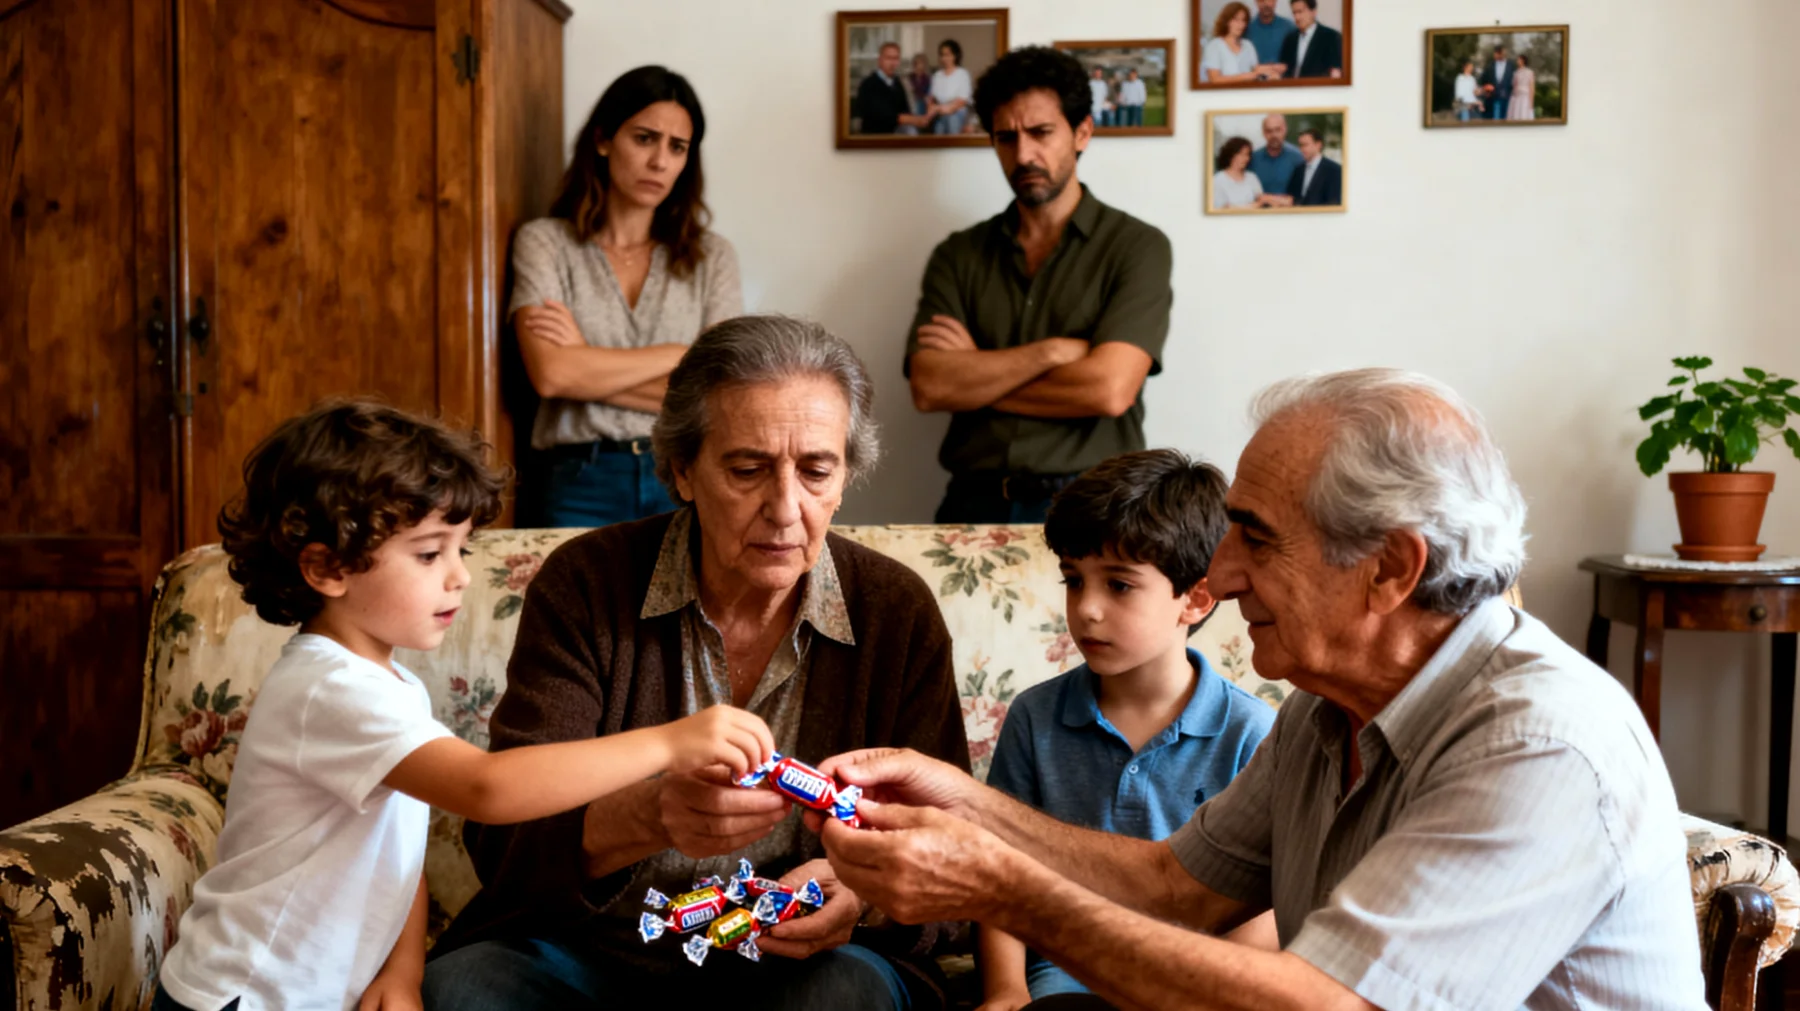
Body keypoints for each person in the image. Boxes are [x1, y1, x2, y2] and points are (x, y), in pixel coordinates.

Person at [809, 368, 1711, 1010]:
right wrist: (968, 803)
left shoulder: (1538, 742)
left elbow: (1322, 1004)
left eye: (1256, 537)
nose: (1224, 574)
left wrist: (1005, 887)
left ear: (1390, 568)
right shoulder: (1327, 708)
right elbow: (1172, 886)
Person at [423, 316, 972, 1010]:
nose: (785, 507)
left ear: (845, 477)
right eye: (747, 468)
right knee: (464, 986)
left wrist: (859, 894)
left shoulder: (895, 610)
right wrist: (646, 816)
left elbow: (959, 864)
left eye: (815, 470)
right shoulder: (588, 583)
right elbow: (504, 846)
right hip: (598, 955)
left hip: (800, 967)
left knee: (844, 992)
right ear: (682, 469)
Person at [153, 400, 777, 1011]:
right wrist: (669, 742)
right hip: (248, 992)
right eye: (429, 554)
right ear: (327, 568)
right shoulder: (330, 691)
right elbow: (488, 790)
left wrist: (403, 970)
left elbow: (395, 853)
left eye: (462, 549)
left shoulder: (390, 684)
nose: (460, 577)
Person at [975, 450, 1276, 1010]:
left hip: (1198, 986)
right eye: (1073, 580)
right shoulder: (1035, 718)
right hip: (1067, 975)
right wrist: (1005, 990)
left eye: (1118, 585)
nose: (1086, 609)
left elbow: (1258, 917)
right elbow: (1000, 871)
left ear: (1197, 598)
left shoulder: (1251, 732)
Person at [906, 46, 1173, 524]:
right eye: (1005, 137)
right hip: (973, 503)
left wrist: (975, 375)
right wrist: (1051, 353)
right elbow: (930, 386)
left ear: (1082, 133)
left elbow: (1109, 390)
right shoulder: (958, 254)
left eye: (1041, 132)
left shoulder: (1138, 247)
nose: (1023, 153)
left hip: (1097, 507)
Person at [511, 66, 741, 529]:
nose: (659, 161)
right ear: (602, 139)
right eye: (644, 138)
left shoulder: (711, 256)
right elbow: (553, 375)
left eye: (677, 147)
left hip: (682, 476)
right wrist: (683, 354)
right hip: (577, 477)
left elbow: (718, 393)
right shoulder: (545, 243)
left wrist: (586, 363)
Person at [857, 41, 936, 134]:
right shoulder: (868, 84)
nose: (893, 63)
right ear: (880, 60)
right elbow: (884, 115)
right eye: (889, 58)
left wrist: (921, 118)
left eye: (896, 58)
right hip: (875, 134)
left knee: (911, 131)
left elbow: (906, 110)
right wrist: (915, 120)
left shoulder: (898, 83)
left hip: (897, 130)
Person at [1199, 3, 1267, 84]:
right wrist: (1244, 77)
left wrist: (1270, 71)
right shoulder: (1214, 46)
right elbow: (1214, 79)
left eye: (1243, 20)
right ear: (1226, 21)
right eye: (1236, 20)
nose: (1241, 25)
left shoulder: (1248, 45)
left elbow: (1256, 71)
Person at [1275, 0, 1344, 79]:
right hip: (1290, 90)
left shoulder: (1331, 37)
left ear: (1313, 12)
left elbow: (1336, 74)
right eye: (1294, 13)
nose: (1297, 17)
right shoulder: (1289, 39)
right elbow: (1284, 70)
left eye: (1300, 12)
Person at [1247, 113, 1304, 200]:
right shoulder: (1253, 159)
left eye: (1278, 130)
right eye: (1269, 131)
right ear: (1263, 133)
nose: (1274, 135)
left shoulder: (1298, 157)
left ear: (1285, 130)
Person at [1285, 128, 1342, 207]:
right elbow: (1291, 197)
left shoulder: (1334, 170)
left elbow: (1334, 202)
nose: (1302, 149)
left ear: (1318, 145)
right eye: (1300, 145)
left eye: (1305, 145)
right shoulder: (1298, 170)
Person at [930, 39, 974, 135]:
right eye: (942, 55)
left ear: (955, 56)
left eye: (948, 55)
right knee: (938, 127)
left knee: (951, 119)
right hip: (940, 112)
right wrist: (934, 108)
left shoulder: (962, 74)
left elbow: (962, 101)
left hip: (958, 112)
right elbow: (932, 98)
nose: (945, 58)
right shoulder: (937, 75)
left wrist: (946, 109)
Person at [1210, 137, 1267, 210]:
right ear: (1231, 155)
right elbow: (1221, 209)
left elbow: (1261, 200)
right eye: (1241, 154)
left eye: (1247, 154)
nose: (1246, 158)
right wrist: (1253, 206)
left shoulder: (1252, 177)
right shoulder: (1217, 180)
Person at [1242, 0, 1296, 72]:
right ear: (1256, 2)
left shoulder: (1289, 28)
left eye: (1270, 0)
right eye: (1262, 0)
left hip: (1284, 80)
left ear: (1275, 1)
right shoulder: (1246, 29)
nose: (1266, 4)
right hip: (1254, 80)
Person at [1479, 44, 1514, 121]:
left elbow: (1513, 80)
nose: (1494, 55)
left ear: (1500, 53)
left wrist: (1510, 92)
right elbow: (1483, 79)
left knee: (1504, 119)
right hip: (1492, 97)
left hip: (1505, 97)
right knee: (1493, 119)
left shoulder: (1511, 65)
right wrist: (1486, 88)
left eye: (1496, 54)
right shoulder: (1490, 65)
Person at [1508, 54, 1537, 121]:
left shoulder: (1529, 72)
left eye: (1518, 59)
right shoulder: (1516, 72)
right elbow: (1514, 86)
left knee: (1524, 114)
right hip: (1517, 97)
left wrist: (1532, 102)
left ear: (1522, 61)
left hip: (1525, 97)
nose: (1517, 61)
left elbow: (1532, 88)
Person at [908, 52, 935, 121]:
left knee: (919, 103)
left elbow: (929, 95)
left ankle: (917, 121)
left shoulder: (928, 79)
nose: (918, 66)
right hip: (911, 101)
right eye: (916, 63)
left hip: (922, 103)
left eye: (921, 63)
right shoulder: (909, 77)